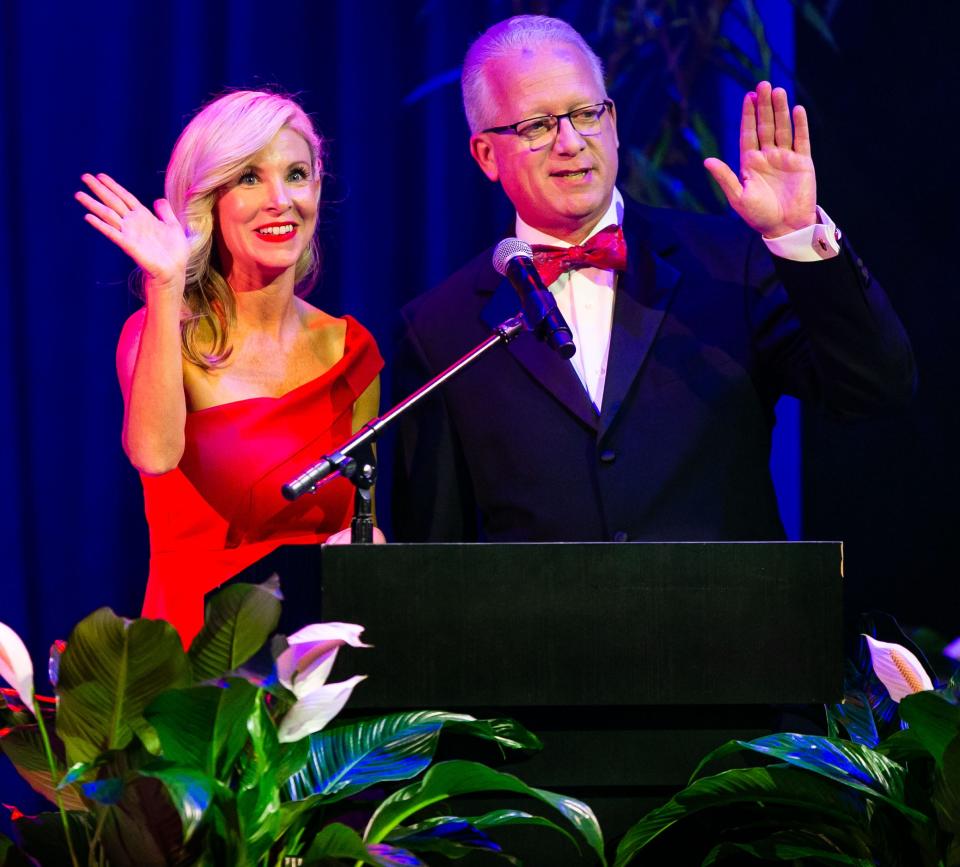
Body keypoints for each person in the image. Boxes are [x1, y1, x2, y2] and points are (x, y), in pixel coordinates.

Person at [393, 15, 914, 543]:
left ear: (613, 121)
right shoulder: (441, 328)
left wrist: (798, 236)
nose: (571, 142)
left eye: (585, 114)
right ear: (486, 154)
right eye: (537, 125)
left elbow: (874, 390)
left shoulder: (729, 262)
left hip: (729, 623)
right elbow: (433, 552)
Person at [77, 91, 383, 644]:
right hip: (196, 664)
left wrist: (368, 546)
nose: (279, 199)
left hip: (316, 665)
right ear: (209, 201)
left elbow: (354, 525)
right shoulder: (161, 332)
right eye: (247, 178)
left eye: (296, 174)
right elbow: (153, 454)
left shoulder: (351, 351)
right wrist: (165, 286)